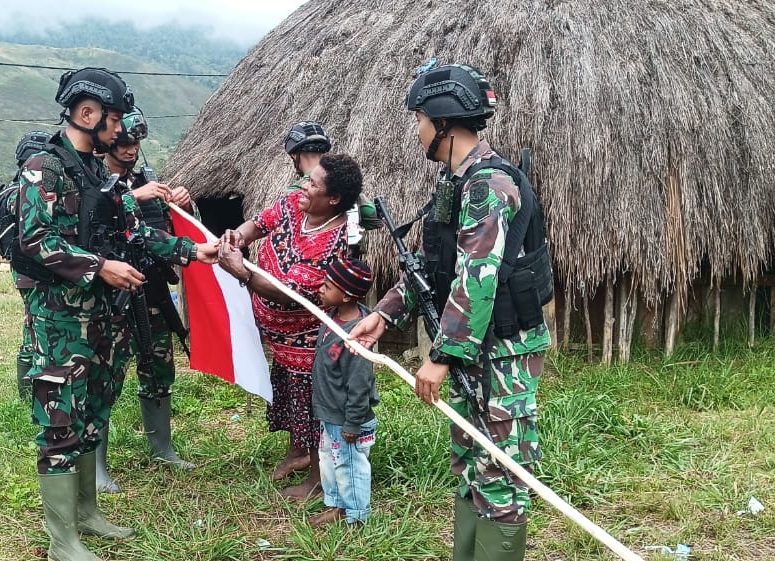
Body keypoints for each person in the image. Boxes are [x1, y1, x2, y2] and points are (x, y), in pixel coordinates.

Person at [12, 67, 219, 561]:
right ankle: (62, 539)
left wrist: (191, 251)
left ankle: (85, 513)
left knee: (89, 415)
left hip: (101, 319)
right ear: (88, 114)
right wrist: (100, 267)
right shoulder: (45, 167)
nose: (121, 128)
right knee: (59, 421)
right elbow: (36, 240)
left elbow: (137, 233)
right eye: (116, 117)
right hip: (60, 322)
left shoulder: (99, 175)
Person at [348, 63, 551, 561]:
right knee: (469, 463)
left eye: (420, 118)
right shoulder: (453, 183)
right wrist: (385, 313)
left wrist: (440, 356)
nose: (417, 129)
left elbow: (477, 281)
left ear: (444, 122)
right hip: (471, 352)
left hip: (502, 353)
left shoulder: (489, 187)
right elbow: (434, 270)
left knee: (501, 472)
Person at [218, 153, 364, 500]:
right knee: (289, 396)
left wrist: (243, 272)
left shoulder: (336, 241)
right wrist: (237, 238)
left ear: (333, 199)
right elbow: (258, 223)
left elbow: (292, 295)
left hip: (306, 340)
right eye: (307, 178)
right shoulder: (293, 205)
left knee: (312, 406)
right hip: (279, 338)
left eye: (313, 184)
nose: (304, 186)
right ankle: (298, 452)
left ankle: (317, 477)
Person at [94, 108, 197, 494]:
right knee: (105, 377)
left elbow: (167, 231)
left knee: (158, 368)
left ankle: (162, 447)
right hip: (111, 296)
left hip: (151, 291)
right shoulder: (94, 181)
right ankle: (98, 465)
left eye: (136, 143)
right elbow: (93, 221)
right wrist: (132, 197)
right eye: (123, 143)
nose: (131, 150)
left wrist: (184, 205)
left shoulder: (148, 181)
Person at [307, 256, 379, 527]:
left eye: (328, 286)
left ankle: (357, 516)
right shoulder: (332, 317)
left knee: (349, 466)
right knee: (329, 460)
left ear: (347, 295)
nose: (321, 289)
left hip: (347, 419)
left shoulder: (358, 337)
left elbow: (359, 385)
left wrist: (353, 422)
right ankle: (336, 505)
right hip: (330, 414)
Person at [282, 121, 382, 250]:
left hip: (310, 263)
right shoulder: (342, 186)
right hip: (345, 264)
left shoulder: (295, 191)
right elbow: (372, 217)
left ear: (294, 155)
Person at [12, 130, 50, 400]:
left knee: (32, 323)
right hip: (35, 270)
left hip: (25, 271)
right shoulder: (28, 191)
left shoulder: (14, 190)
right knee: (36, 327)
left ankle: (27, 392)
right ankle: (29, 393)